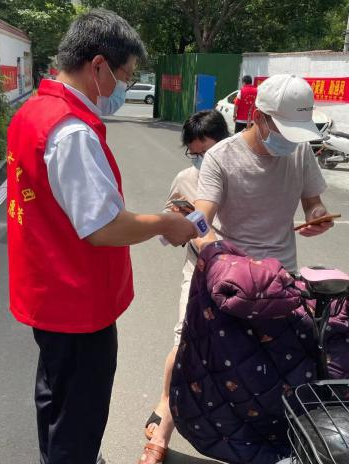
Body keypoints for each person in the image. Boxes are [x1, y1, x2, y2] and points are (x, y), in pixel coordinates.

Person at [6, 10, 196, 464]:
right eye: (125, 76)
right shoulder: (71, 131)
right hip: (76, 302)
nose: (124, 87)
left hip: (47, 291)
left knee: (55, 394)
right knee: (79, 412)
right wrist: (165, 223)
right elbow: (104, 227)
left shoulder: (33, 112)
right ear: (98, 66)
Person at [140, 110, 230, 464]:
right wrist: (189, 231)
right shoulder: (186, 179)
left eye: (207, 151)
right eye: (194, 153)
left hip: (241, 274)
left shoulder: (243, 172)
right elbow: (173, 223)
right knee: (184, 338)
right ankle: (166, 405)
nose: (201, 160)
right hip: (200, 269)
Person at [195, 73, 334, 271]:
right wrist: (212, 251)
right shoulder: (220, 157)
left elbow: (313, 203)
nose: (291, 141)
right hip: (232, 271)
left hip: (283, 272)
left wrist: (317, 214)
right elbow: (200, 219)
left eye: (297, 134)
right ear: (258, 117)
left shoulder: (301, 150)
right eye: (285, 132)